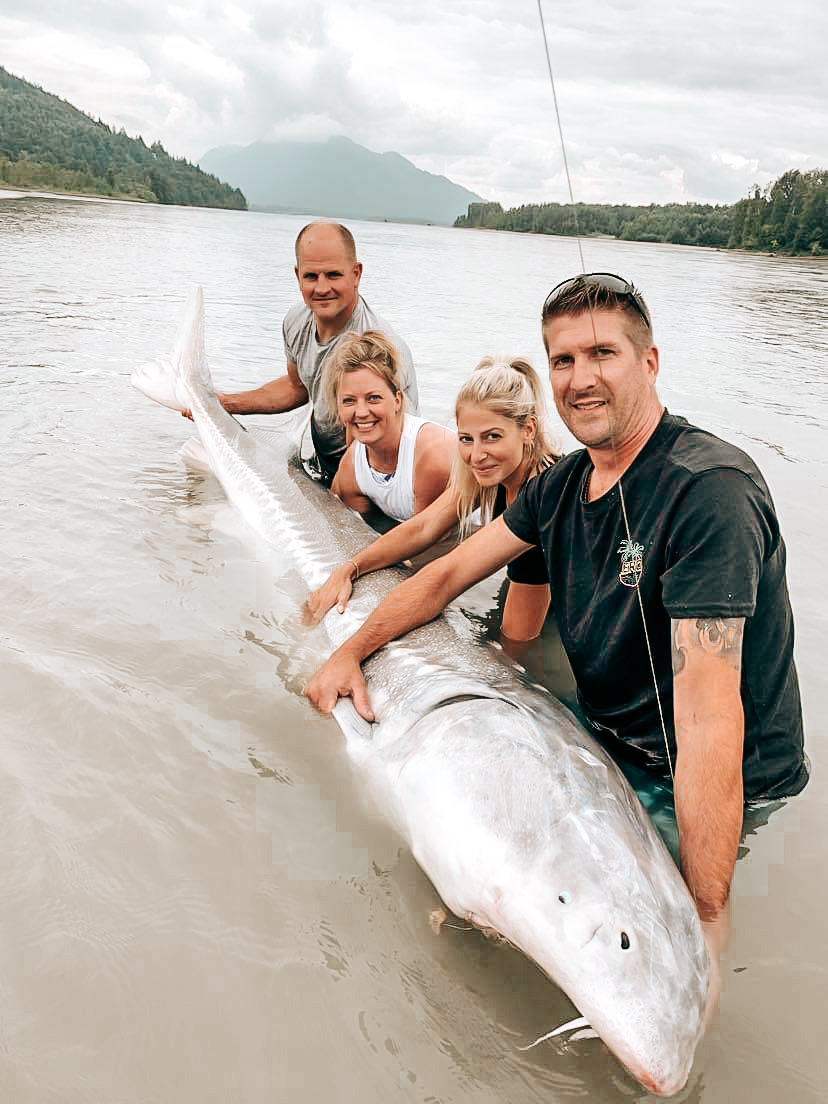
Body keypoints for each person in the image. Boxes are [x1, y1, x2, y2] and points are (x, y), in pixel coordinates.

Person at [304, 271, 809, 993]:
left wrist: (705, 912)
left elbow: (708, 718)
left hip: (717, 773)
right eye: (563, 360)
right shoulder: (563, 485)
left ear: (651, 362)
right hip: (608, 734)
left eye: (602, 353)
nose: (579, 378)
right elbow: (444, 576)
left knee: (632, 967)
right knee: (473, 878)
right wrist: (349, 649)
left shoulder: (709, 492)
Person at [307, 355, 558, 641]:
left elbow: (519, 638)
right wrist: (350, 568)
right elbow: (424, 528)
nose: (476, 456)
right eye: (466, 438)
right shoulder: (495, 470)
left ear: (528, 429)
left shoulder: (543, 501)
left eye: (492, 437)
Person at [206, 221, 419, 484]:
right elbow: (299, 386)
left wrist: (341, 492)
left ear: (356, 274)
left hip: (379, 480)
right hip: (324, 469)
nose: (321, 288)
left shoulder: (378, 348)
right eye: (311, 276)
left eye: (333, 275)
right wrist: (224, 403)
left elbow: (392, 447)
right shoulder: (297, 320)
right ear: (298, 276)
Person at [324, 330, 453, 521]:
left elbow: (428, 538)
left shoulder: (432, 455)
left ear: (397, 400)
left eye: (373, 398)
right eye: (349, 401)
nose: (361, 412)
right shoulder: (352, 466)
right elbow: (352, 528)